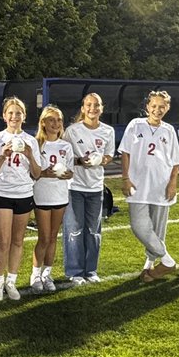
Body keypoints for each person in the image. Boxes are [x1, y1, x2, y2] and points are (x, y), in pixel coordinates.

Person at [0, 96, 42, 300]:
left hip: (24, 193)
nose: (14, 116)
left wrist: (29, 155)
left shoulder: (31, 140)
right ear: (4, 116)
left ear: (24, 116)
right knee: (3, 241)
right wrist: (2, 155)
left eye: (18, 113)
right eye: (11, 113)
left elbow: (37, 173)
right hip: (2, 194)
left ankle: (11, 282)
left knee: (18, 241)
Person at [119, 91, 179, 281]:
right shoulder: (135, 125)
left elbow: (176, 160)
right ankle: (167, 259)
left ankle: (150, 265)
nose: (157, 110)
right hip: (137, 185)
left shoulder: (169, 130)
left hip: (161, 186)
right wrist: (125, 178)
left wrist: (172, 184)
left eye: (162, 106)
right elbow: (125, 153)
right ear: (147, 107)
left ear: (167, 108)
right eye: (154, 106)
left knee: (157, 228)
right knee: (139, 226)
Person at [63, 93, 115, 286]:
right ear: (83, 108)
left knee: (93, 231)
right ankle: (75, 271)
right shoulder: (72, 131)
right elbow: (65, 156)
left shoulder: (108, 131)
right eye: (89, 105)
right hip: (74, 186)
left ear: (102, 108)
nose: (92, 108)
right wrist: (80, 161)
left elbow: (109, 156)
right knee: (75, 230)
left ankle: (91, 270)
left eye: (96, 105)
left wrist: (100, 160)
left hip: (95, 187)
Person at [30, 105, 75, 292]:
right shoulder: (36, 144)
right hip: (42, 195)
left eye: (58, 120)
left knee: (53, 237)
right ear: (43, 123)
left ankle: (47, 274)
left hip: (60, 195)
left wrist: (66, 174)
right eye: (51, 120)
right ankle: (35, 275)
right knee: (44, 237)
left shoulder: (66, 146)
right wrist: (45, 173)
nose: (55, 124)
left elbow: (71, 171)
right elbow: (33, 172)